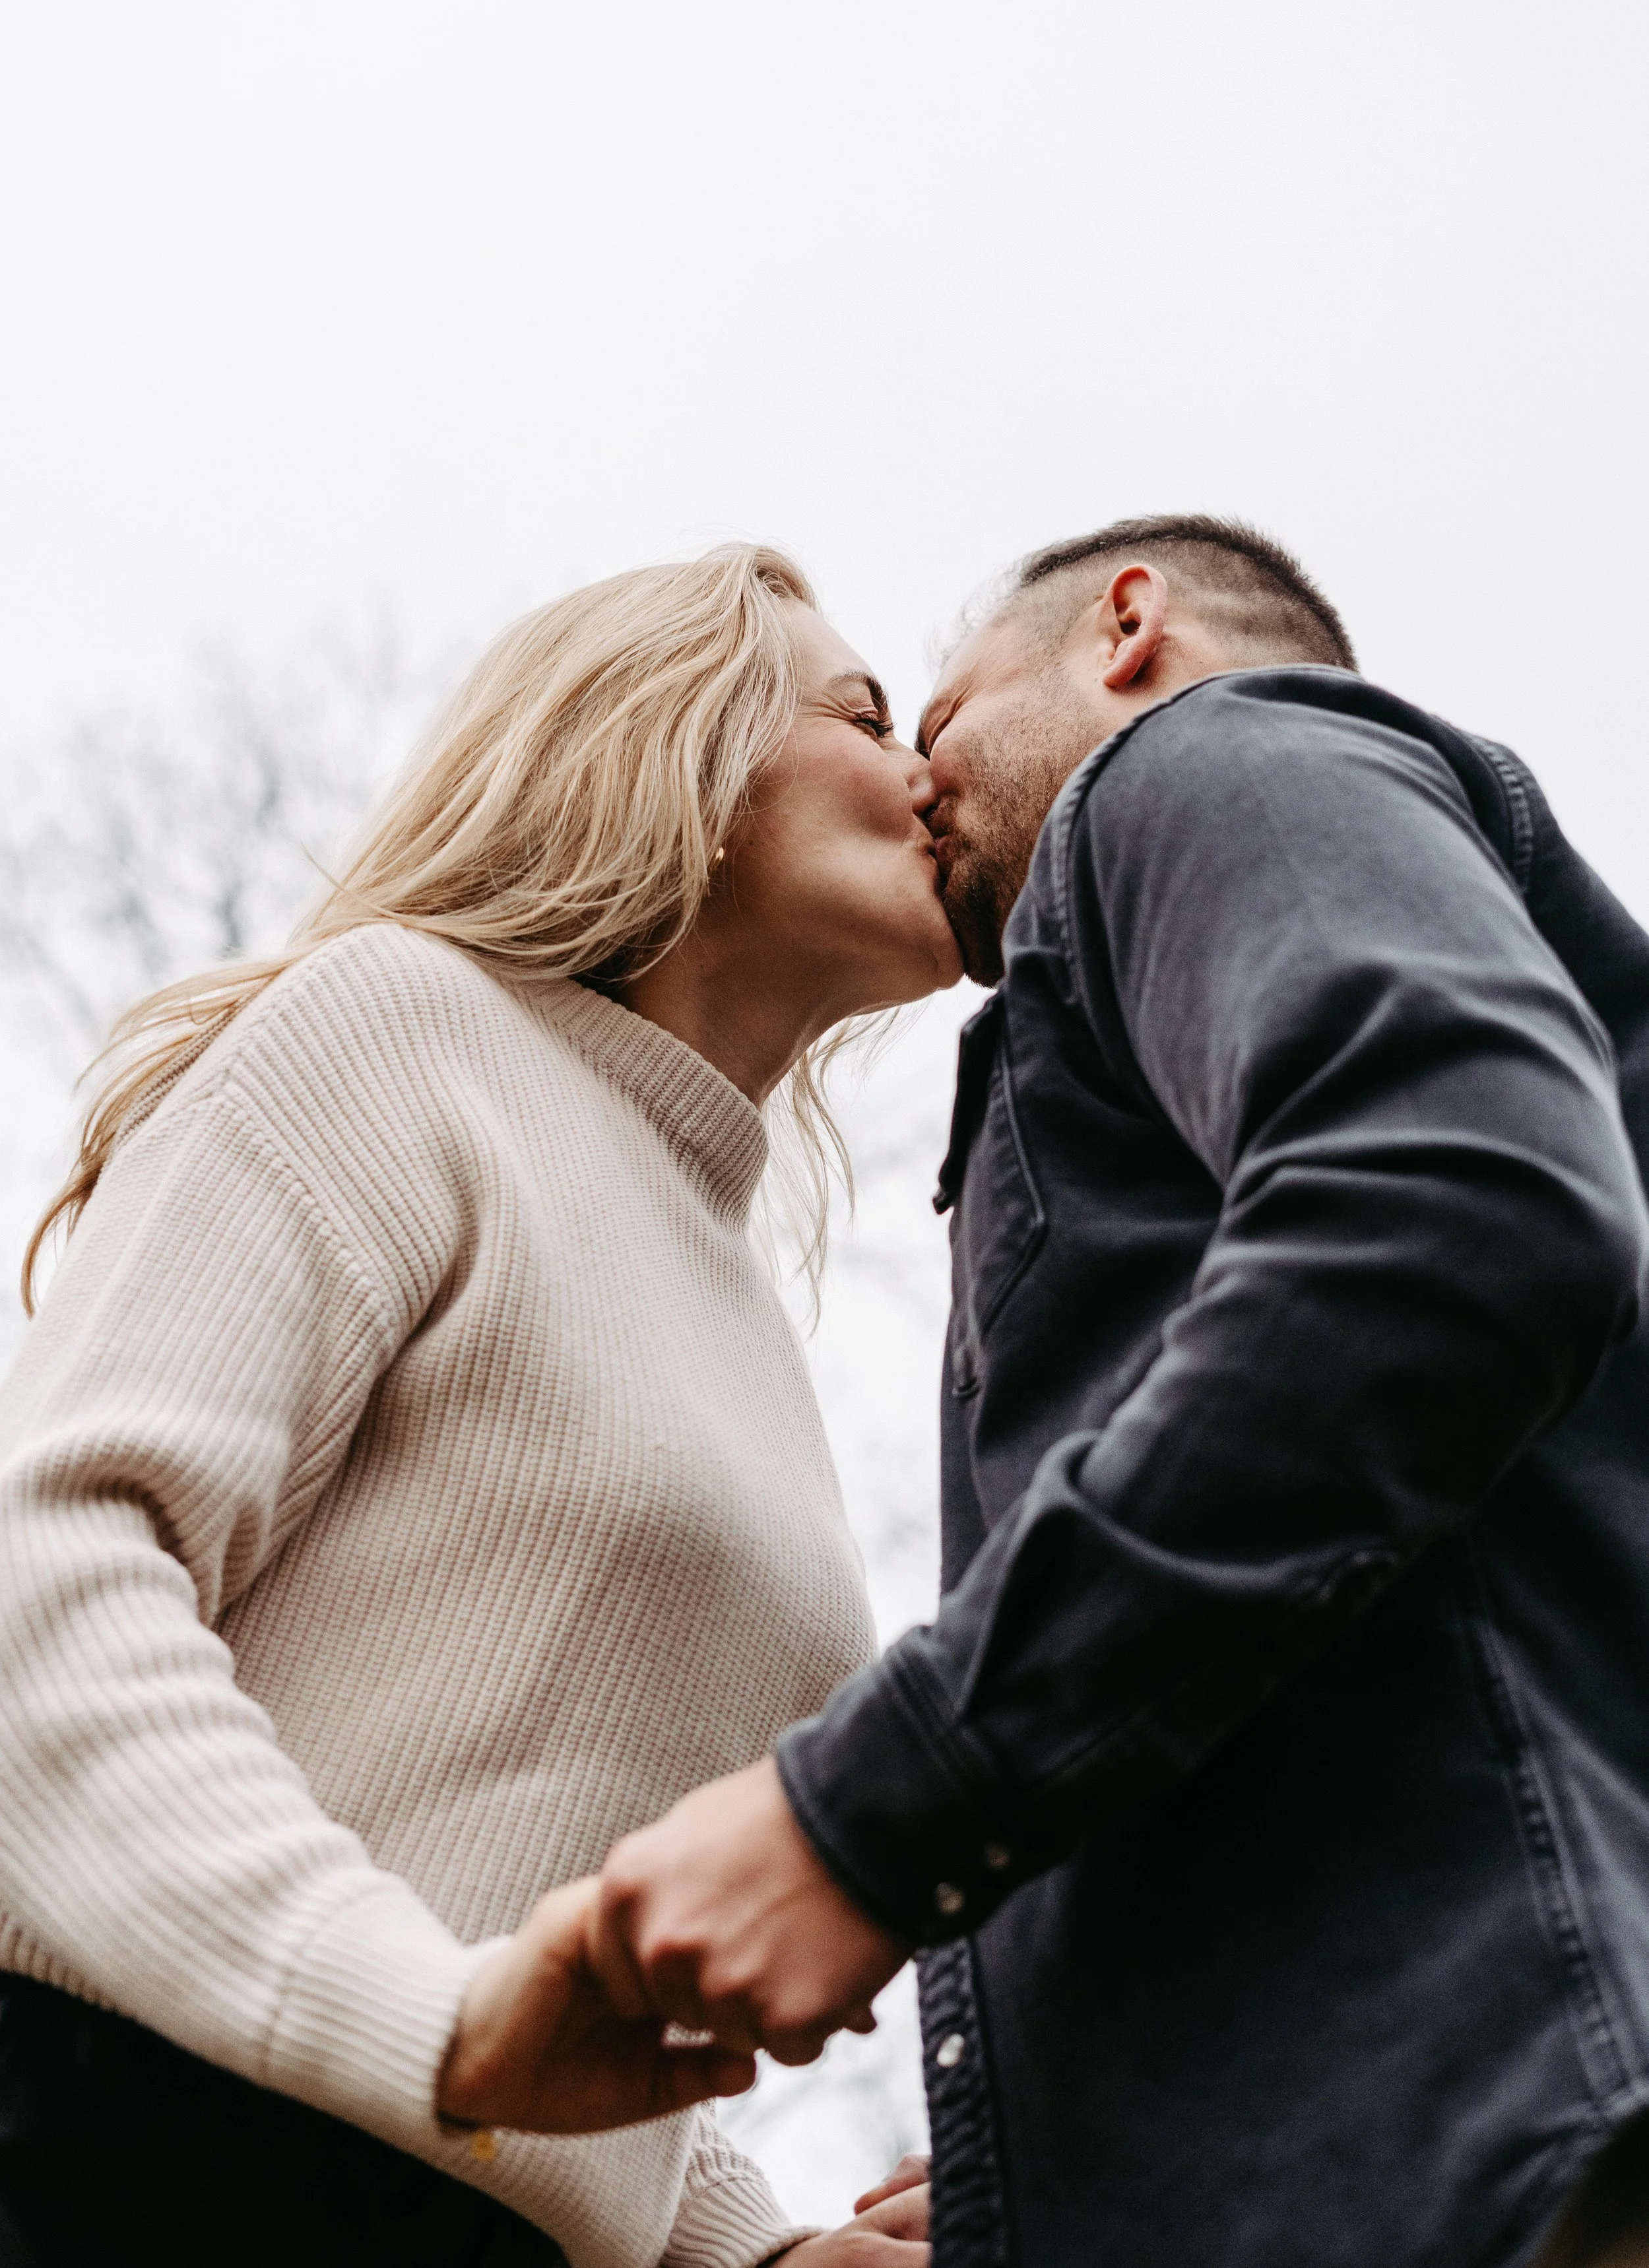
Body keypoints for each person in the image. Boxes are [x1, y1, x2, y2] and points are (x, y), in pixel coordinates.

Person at [589, 515, 1649, 2268]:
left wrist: (866, 1818)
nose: (917, 789)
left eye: (936, 721)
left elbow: (1455, 1201)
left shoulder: (1203, 755)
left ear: (1127, 628)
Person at [0, 544, 951, 2268]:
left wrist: (749, 2251)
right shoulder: (400, 1030)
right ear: (673, 742)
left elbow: (533, 1933)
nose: (928, 773)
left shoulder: (748, 1318)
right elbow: (41, 1587)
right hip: (132, 2157)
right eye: (868, 715)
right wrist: (430, 2027)